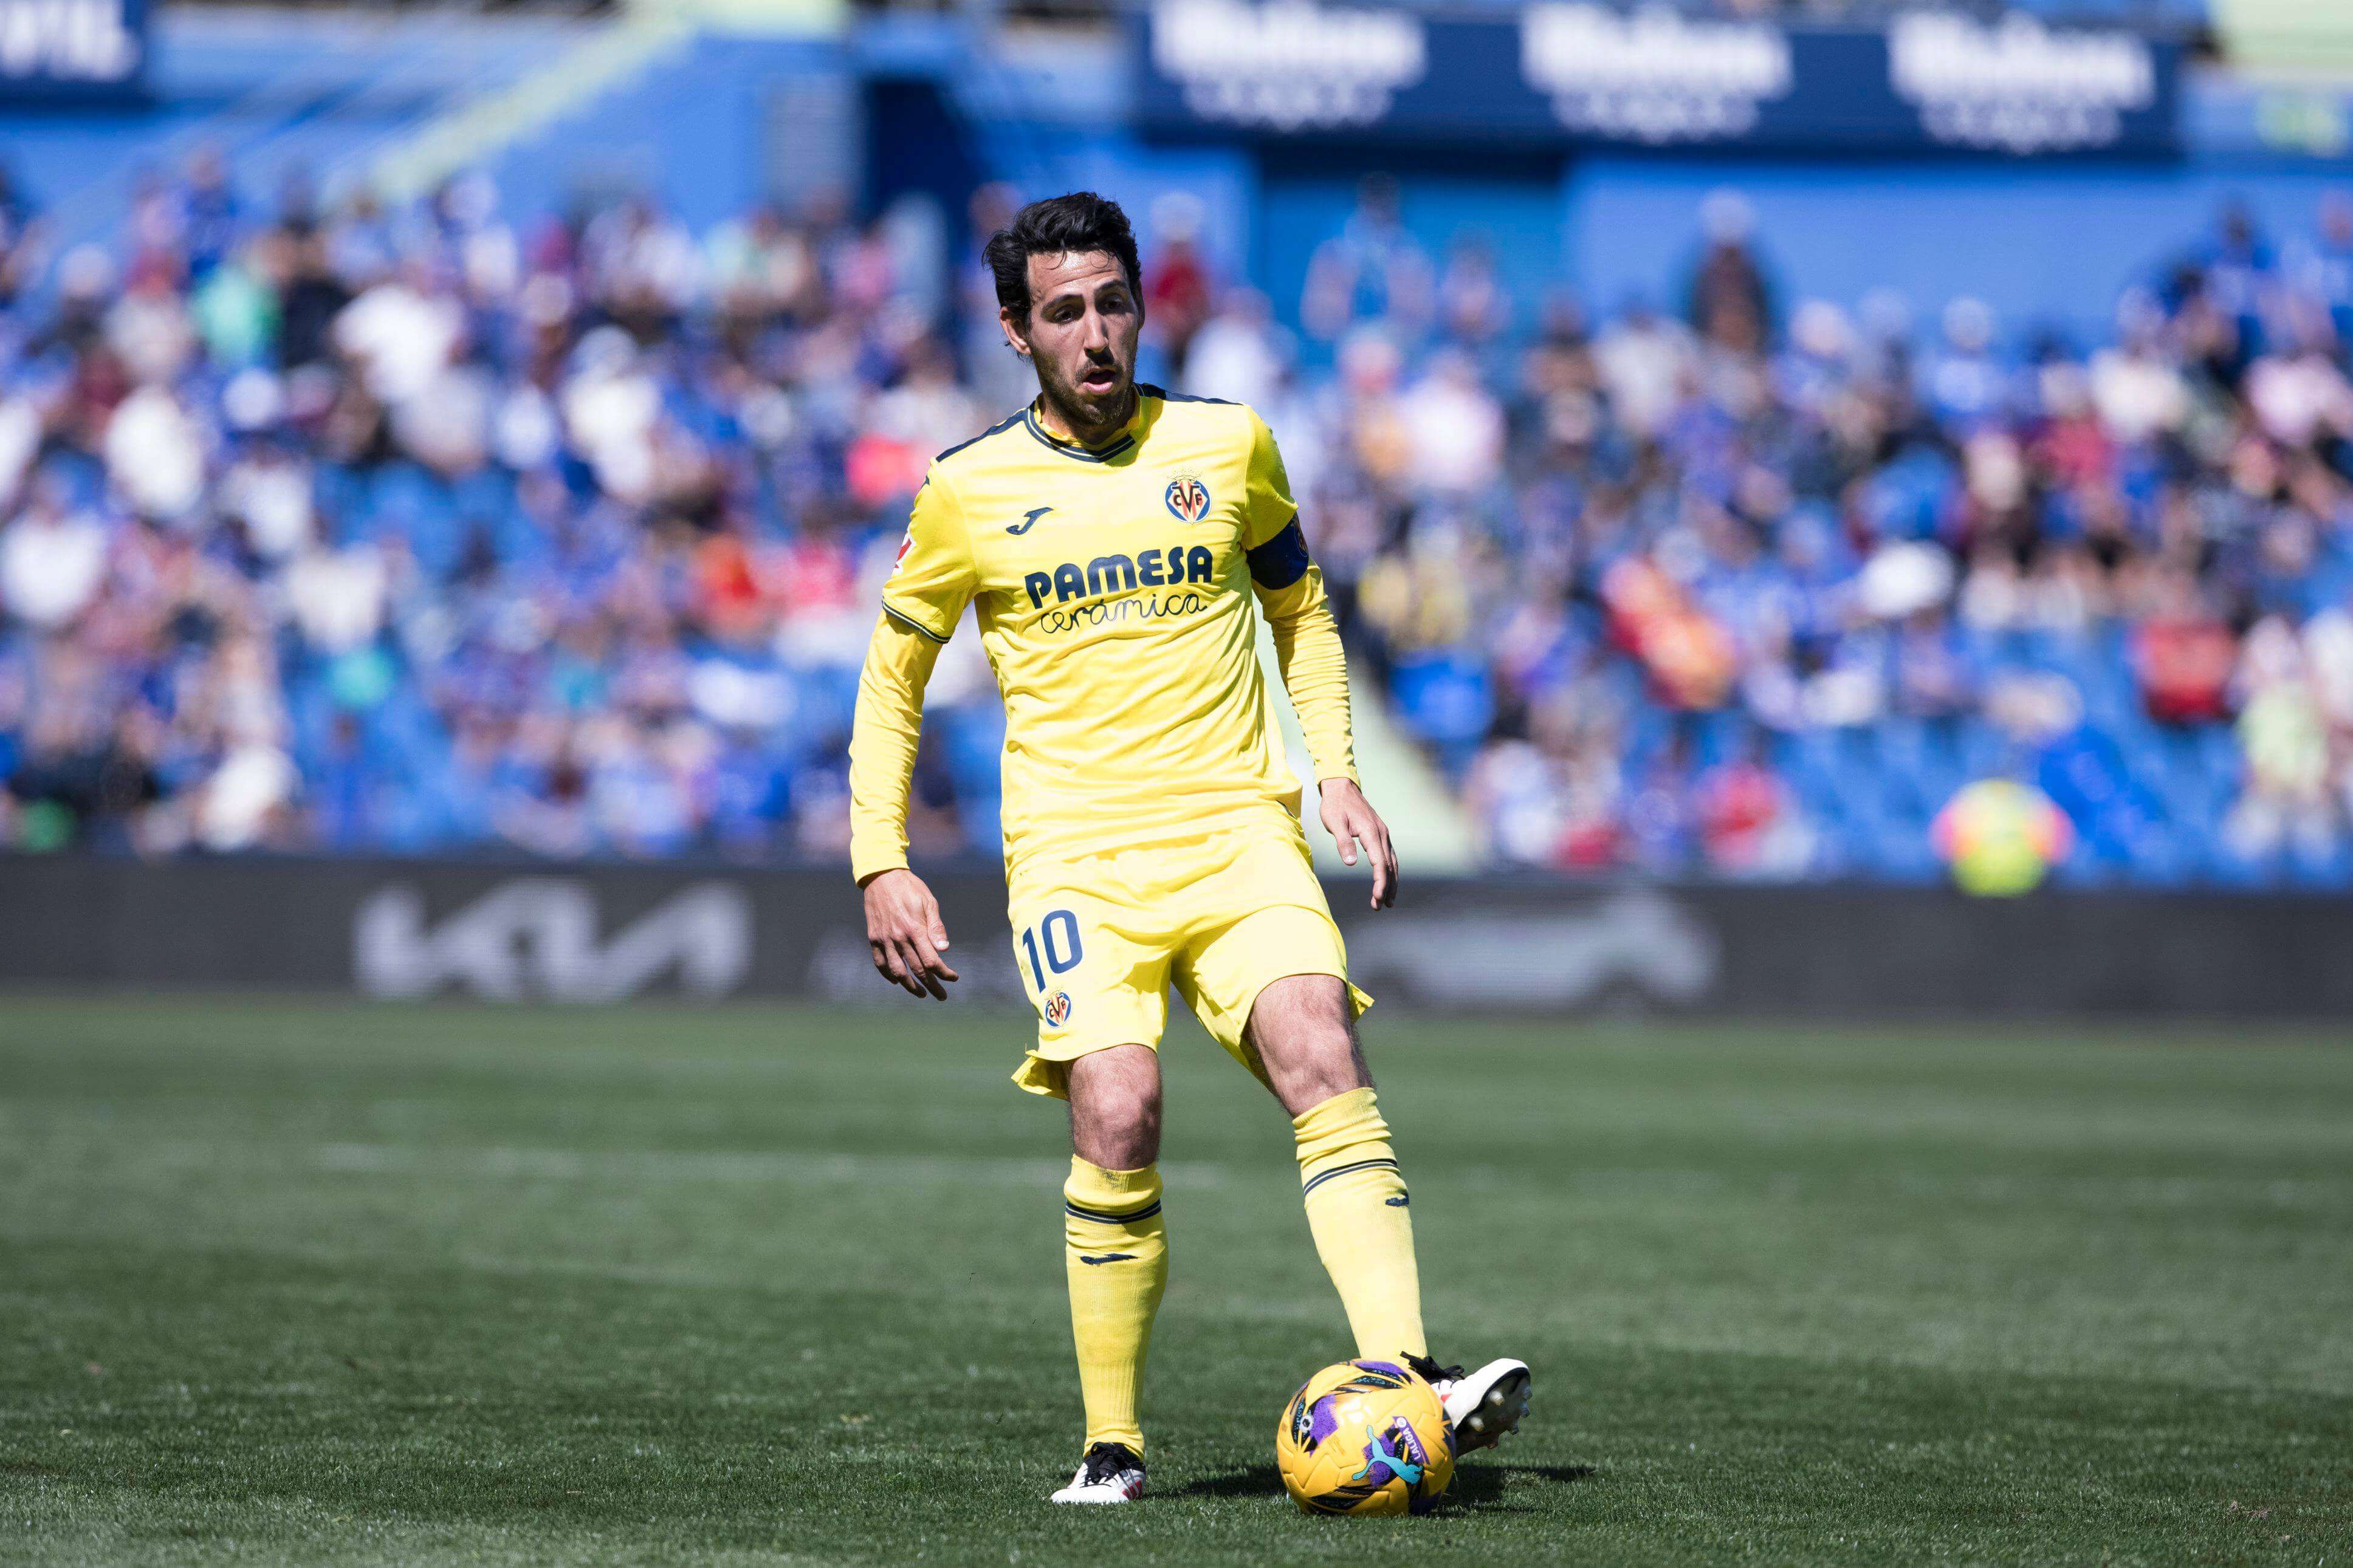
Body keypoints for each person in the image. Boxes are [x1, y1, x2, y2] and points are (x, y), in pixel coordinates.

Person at [847, 192, 1530, 1505]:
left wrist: (1336, 772)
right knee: (1117, 1108)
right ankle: (1112, 1447)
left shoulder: (1228, 444)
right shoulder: (968, 490)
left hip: (1236, 831)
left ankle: (1407, 1375)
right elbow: (893, 679)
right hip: (1076, 857)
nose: (1096, 333)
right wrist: (883, 857)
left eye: (1113, 302)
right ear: (1017, 333)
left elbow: (1301, 606)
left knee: (1319, 1042)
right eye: (1064, 312)